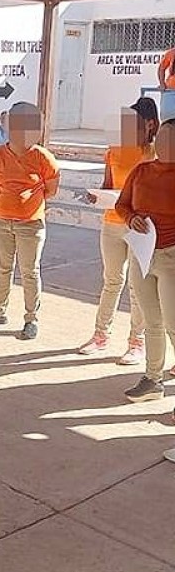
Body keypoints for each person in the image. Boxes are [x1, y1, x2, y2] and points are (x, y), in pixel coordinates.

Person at [79, 98, 159, 364]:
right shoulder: (113, 150)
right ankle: (100, 335)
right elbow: (108, 184)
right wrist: (96, 196)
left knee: (138, 287)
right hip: (112, 222)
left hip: (140, 227)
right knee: (112, 281)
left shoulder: (155, 153)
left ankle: (136, 343)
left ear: (150, 125)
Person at [0, 101, 61, 340]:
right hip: (0, 221)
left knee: (30, 272)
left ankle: (31, 318)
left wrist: (27, 202)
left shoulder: (44, 158)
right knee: (3, 268)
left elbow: (51, 189)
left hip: (30, 225)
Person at [116, 117, 175, 403]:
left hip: (171, 257)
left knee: (173, 323)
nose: (164, 144)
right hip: (141, 254)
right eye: (161, 137)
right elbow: (121, 204)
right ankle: (153, 379)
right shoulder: (141, 170)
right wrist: (132, 217)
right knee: (151, 320)